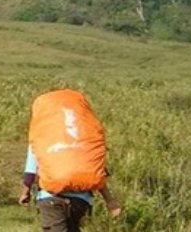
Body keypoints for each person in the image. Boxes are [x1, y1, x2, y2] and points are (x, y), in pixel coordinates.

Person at [18, 89, 122, 232]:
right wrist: (110, 201)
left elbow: (30, 172)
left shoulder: (41, 135)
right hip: (81, 200)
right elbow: (98, 173)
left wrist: (25, 192)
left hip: (50, 198)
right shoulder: (84, 136)